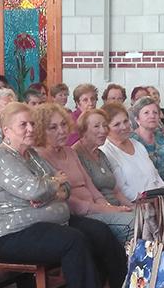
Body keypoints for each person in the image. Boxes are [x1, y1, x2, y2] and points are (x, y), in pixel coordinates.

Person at [0, 103, 125, 288]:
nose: (30, 128)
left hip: (47, 221)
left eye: (31, 123)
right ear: (7, 131)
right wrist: (51, 186)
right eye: (23, 125)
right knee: (73, 240)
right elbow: (36, 190)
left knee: (98, 231)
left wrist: (50, 188)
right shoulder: (2, 159)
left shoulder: (30, 155)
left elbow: (64, 185)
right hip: (14, 233)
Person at [34, 103, 133, 242]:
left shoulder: (69, 151)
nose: (62, 131)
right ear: (40, 131)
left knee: (144, 219)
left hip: (96, 208)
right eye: (53, 127)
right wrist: (103, 209)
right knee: (134, 223)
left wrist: (106, 206)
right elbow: (66, 199)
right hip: (78, 214)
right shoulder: (40, 157)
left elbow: (90, 185)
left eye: (63, 124)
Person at [99, 102, 164, 201]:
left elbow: (155, 176)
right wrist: (145, 199)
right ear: (106, 128)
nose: (124, 127)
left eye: (125, 121)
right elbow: (121, 189)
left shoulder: (137, 144)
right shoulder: (106, 151)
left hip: (157, 199)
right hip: (136, 204)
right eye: (117, 124)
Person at [73, 109, 134, 208]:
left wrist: (132, 207)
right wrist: (115, 210)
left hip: (116, 207)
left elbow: (116, 192)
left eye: (105, 125)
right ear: (83, 130)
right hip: (99, 210)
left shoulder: (101, 154)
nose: (103, 130)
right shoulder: (76, 154)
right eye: (97, 126)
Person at [130, 96, 164, 183]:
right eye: (146, 113)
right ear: (137, 119)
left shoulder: (160, 135)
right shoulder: (132, 140)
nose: (152, 116)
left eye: (155, 112)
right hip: (146, 187)